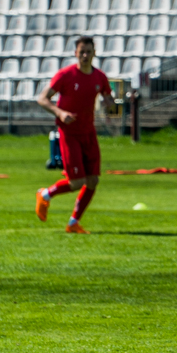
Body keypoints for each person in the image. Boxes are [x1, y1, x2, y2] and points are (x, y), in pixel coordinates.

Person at [34, 36, 114, 234]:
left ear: (94, 53)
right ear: (75, 53)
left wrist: (110, 103)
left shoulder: (99, 77)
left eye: (88, 52)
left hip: (89, 133)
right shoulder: (65, 75)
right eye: (82, 52)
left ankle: (73, 222)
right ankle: (45, 194)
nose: (85, 55)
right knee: (76, 182)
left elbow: (108, 98)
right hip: (69, 133)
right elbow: (42, 99)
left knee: (93, 180)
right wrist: (60, 113)